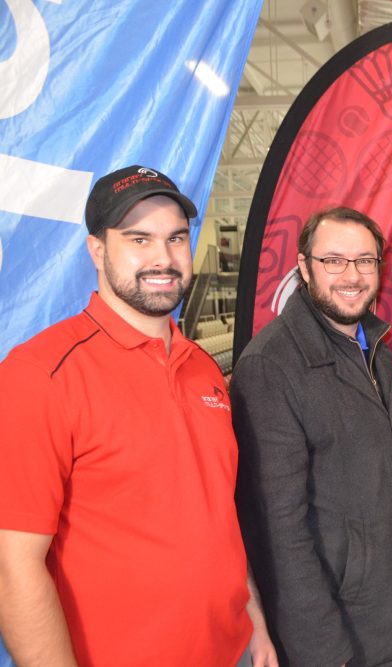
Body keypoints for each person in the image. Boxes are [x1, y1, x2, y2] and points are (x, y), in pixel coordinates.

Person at [0, 165, 275, 667]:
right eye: (139, 239)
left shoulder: (202, 368)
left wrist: (254, 620)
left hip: (231, 649)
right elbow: (12, 567)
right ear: (97, 250)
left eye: (176, 238)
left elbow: (220, 516)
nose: (163, 258)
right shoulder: (41, 373)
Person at [231, 206, 392, 667]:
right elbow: (277, 531)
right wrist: (323, 651)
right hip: (344, 639)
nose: (352, 275)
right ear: (304, 267)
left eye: (365, 260)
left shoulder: (375, 351)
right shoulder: (271, 367)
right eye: (333, 260)